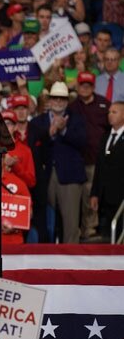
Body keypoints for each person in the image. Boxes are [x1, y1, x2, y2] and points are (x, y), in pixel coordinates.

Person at [28, 82, 87, 243]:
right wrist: (50, 132)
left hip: (70, 177)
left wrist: (64, 130)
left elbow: (82, 142)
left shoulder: (77, 119)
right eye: (55, 98)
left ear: (67, 101)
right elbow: (32, 145)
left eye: (62, 98)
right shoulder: (37, 122)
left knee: (70, 224)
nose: (58, 101)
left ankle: (71, 257)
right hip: (44, 178)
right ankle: (48, 256)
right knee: (47, 222)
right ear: (49, 99)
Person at [69, 72, 109, 241]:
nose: (85, 88)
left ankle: (90, 229)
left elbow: (111, 129)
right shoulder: (71, 107)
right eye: (82, 85)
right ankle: (77, 232)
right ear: (77, 86)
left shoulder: (104, 104)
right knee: (75, 199)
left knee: (91, 195)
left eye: (88, 85)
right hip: (76, 160)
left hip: (96, 159)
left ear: (93, 87)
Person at [91, 102, 124, 240]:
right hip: (104, 197)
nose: (110, 115)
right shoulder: (105, 136)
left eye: (114, 112)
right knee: (106, 236)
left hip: (121, 197)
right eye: (109, 112)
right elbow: (99, 167)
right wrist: (94, 193)